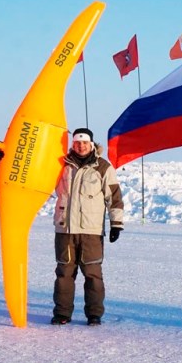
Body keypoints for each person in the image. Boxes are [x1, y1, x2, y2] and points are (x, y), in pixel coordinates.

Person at [51, 127, 124, 326]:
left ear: (91, 144)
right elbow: (34, 172)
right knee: (64, 273)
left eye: (84, 143)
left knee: (93, 274)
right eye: (76, 143)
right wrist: (7, 158)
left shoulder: (103, 167)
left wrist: (116, 223)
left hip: (91, 231)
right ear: (72, 144)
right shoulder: (60, 165)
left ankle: (94, 314)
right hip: (65, 229)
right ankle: (62, 314)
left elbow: (114, 198)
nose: (80, 146)